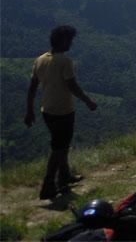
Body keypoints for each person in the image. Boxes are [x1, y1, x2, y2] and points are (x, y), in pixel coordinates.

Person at [24, 25, 98, 200]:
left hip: (47, 111)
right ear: (63, 40)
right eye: (70, 40)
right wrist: (88, 101)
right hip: (63, 111)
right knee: (59, 148)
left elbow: (32, 87)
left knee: (61, 145)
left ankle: (65, 178)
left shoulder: (40, 59)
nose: (71, 43)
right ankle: (48, 186)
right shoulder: (65, 62)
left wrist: (29, 110)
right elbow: (72, 86)